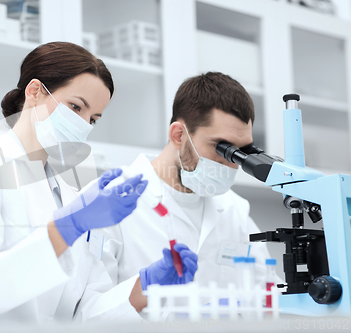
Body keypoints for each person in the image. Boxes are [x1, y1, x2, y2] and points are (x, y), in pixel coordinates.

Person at [0, 42, 197, 332]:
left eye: (93, 119)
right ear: (34, 92)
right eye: (76, 107)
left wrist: (145, 286)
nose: (84, 125)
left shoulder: (73, 192)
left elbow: (80, 315)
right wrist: (70, 225)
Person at [99, 72, 282, 294]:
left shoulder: (235, 211)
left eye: (241, 152)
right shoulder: (112, 200)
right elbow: (88, 313)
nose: (230, 163)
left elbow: (269, 294)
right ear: (178, 135)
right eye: (221, 147)